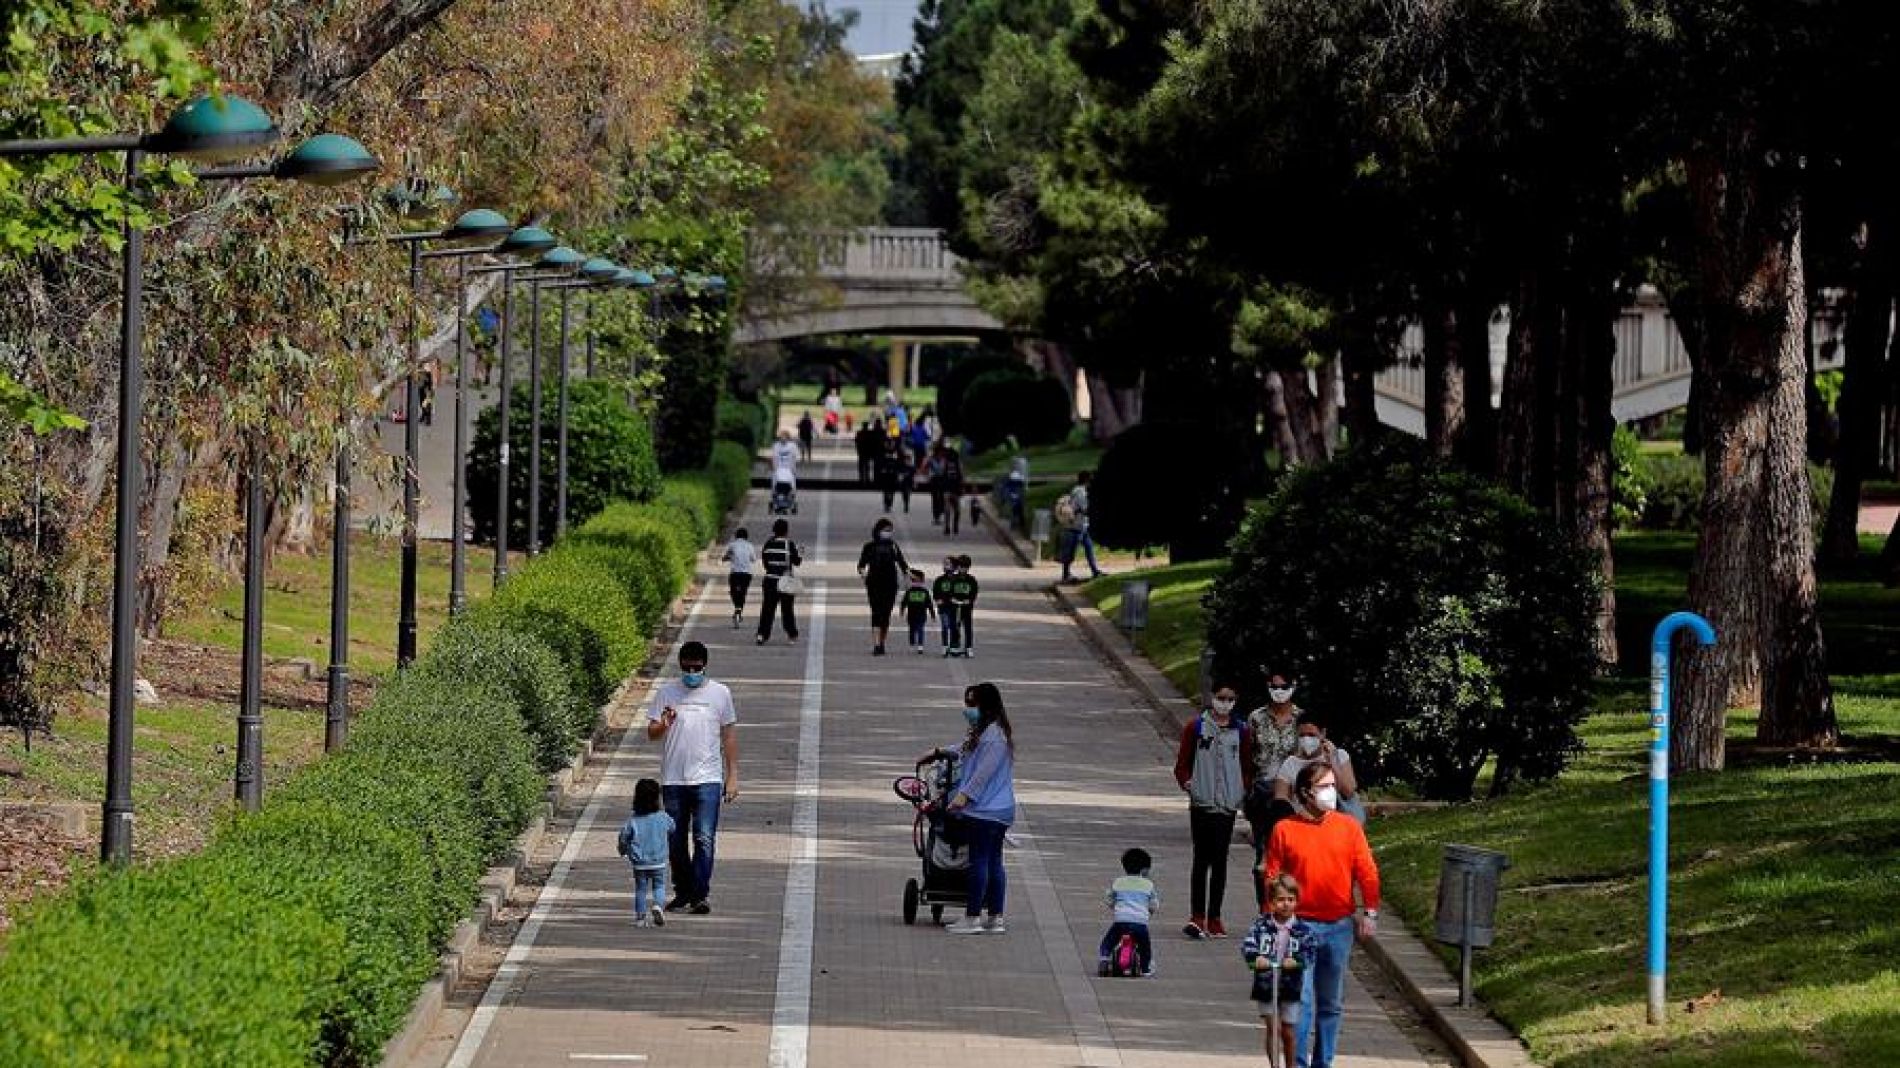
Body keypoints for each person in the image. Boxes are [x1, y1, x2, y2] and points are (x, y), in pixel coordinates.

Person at [1266, 762, 1381, 1068]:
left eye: (1332, 785)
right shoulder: (1284, 830)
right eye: (1323, 787)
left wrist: (1370, 911)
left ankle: (1324, 1062)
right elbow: (1273, 878)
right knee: (1300, 1002)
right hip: (1297, 927)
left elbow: (1367, 872)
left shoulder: (1348, 827)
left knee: (1330, 1003)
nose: (1331, 792)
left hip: (1339, 927)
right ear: (1305, 792)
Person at [646, 642, 739, 915]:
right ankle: (683, 891)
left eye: (696, 668)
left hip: (708, 779)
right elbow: (651, 733)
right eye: (686, 667)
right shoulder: (666, 693)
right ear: (680, 665)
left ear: (705, 666)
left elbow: (729, 737)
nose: (691, 672)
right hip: (674, 780)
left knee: (704, 836)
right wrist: (663, 724)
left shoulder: (720, 694)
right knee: (675, 840)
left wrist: (732, 776)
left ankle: (700, 894)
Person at [921, 682, 1016, 935]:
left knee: (981, 861)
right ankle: (995, 917)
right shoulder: (985, 731)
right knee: (994, 860)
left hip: (986, 809)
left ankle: (973, 917)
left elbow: (982, 773)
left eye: (972, 704)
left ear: (986, 704)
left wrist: (962, 798)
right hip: (999, 809)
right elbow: (965, 752)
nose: (968, 709)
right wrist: (940, 752)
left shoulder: (994, 737)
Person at [1173, 681, 1252, 940]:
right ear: (1212, 698)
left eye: (1230, 698)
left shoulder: (1241, 731)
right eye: (1221, 697)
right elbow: (1182, 764)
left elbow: (1246, 765)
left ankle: (1215, 917)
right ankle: (1197, 916)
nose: (1225, 703)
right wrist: (1190, 785)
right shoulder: (1196, 728)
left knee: (1220, 860)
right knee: (1201, 858)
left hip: (1226, 805)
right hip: (1202, 803)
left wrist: (1240, 791)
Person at [1243, 874, 1316, 1068]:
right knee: (1273, 1028)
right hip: (1267, 983)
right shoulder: (1262, 926)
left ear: (1297, 902)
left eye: (1290, 900)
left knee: (1288, 1031)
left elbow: (1310, 952)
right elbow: (1249, 944)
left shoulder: (1303, 930)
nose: (1285, 904)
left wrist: (1298, 960)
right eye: (1281, 900)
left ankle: (1291, 1065)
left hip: (1291, 985)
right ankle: (1274, 1064)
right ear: (1272, 902)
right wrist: (1255, 957)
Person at [1245, 670, 1304, 902]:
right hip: (1263, 794)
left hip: (1293, 795)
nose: (1279, 691)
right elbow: (1247, 756)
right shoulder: (1256, 718)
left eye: (1284, 686)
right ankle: (1266, 906)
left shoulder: (1301, 718)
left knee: (1292, 852)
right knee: (1264, 851)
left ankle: (1289, 904)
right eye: (1274, 686)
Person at [1272, 716, 1364, 824]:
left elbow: (1348, 792)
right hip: (1302, 818)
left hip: (1334, 815)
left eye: (1311, 735)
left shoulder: (1339, 756)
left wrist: (1332, 761)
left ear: (1322, 733)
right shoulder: (1290, 763)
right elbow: (1280, 797)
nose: (1306, 739)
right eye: (1302, 735)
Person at [617, 777, 675, 928]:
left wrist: (623, 850)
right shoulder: (663, 817)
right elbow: (673, 827)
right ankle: (658, 906)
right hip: (659, 861)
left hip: (640, 862)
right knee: (659, 886)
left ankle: (640, 917)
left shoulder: (633, 821)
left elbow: (623, 838)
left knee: (641, 889)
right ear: (658, 799)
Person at [1099, 847, 1161, 977]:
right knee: (1145, 947)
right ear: (1144, 869)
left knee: (1109, 941)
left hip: (1121, 920)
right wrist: (1149, 911)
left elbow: (1108, 898)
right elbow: (1154, 904)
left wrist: (1116, 907)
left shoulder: (1118, 882)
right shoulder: (1148, 885)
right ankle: (1145, 969)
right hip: (1140, 922)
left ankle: (1104, 958)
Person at [856, 517, 908, 655]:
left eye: (890, 530)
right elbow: (861, 565)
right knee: (876, 613)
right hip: (874, 583)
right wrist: (863, 574)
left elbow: (903, 564)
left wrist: (909, 577)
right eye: (886, 530)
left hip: (890, 584)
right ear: (878, 531)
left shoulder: (894, 546)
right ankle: (877, 644)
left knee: (886, 615)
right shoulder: (869, 547)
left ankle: (882, 641)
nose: (888, 533)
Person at [756, 518, 802, 644]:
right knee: (787, 609)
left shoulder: (768, 544)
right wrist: (800, 553)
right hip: (785, 581)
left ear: (774, 530)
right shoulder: (789, 544)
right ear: (786, 531)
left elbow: (765, 563)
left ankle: (762, 635)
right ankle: (792, 635)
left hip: (770, 580)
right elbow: (797, 562)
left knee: (767, 609)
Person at [1057, 470, 1105, 583]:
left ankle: (1095, 571)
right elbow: (1085, 509)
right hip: (1076, 527)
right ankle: (1066, 575)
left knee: (1089, 549)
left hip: (1082, 526)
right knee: (1070, 552)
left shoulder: (1081, 491)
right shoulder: (1080, 492)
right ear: (1087, 480)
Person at [720, 526, 757, 628]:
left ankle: (737, 608)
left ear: (736, 536)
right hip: (746, 574)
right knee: (743, 593)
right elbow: (753, 559)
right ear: (746, 537)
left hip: (735, 573)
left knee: (733, 592)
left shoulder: (732, 545)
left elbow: (726, 556)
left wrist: (726, 558)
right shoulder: (750, 546)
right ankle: (739, 610)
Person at [947, 554, 979, 658]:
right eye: (961, 567)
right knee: (955, 627)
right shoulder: (953, 578)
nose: (963, 569)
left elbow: (974, 592)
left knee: (968, 627)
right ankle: (954, 646)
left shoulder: (971, 580)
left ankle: (969, 647)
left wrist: (969, 600)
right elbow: (949, 591)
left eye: (965, 567)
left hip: (966, 607)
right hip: (955, 607)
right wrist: (952, 599)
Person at [901, 568, 936, 654]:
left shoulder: (925, 592)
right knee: (912, 629)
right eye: (914, 581)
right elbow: (904, 602)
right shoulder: (909, 591)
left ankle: (920, 645)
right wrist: (902, 610)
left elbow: (929, 604)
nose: (916, 583)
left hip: (921, 615)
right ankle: (912, 641)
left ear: (922, 581)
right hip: (911, 615)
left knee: (920, 629)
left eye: (918, 581)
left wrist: (932, 615)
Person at [933, 556, 959, 657]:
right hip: (943, 607)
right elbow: (936, 591)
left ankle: (953, 646)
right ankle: (944, 646)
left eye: (948, 564)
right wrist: (937, 600)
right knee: (944, 626)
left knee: (954, 627)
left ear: (954, 566)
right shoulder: (939, 580)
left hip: (954, 607)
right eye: (944, 564)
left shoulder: (958, 579)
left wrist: (958, 599)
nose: (945, 566)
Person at [938, 445, 965, 536]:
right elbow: (961, 476)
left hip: (952, 487)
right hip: (950, 487)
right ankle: (950, 526)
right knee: (951, 509)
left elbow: (941, 473)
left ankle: (951, 526)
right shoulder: (950, 463)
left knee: (953, 509)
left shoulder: (954, 463)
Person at [1003, 455, 1029, 531]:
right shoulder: (1014, 477)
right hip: (1015, 494)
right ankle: (1017, 523)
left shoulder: (1014, 476)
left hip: (1015, 494)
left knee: (1017, 508)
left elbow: (1009, 486)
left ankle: (1017, 523)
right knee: (1017, 508)